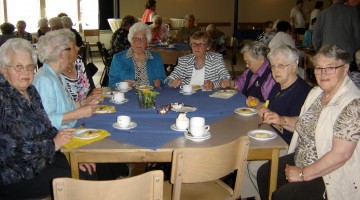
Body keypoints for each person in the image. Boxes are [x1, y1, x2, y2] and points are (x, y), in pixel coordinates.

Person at [257, 45, 360, 200]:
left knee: (283, 196)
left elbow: (341, 155)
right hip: (301, 158)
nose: (323, 73)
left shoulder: (353, 104)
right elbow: (306, 122)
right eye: (319, 68)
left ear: (345, 69)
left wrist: (302, 174)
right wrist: (281, 120)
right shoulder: (317, 93)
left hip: (330, 173)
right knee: (264, 173)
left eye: (330, 68)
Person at [0, 38, 95, 199]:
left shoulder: (30, 91)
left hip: (43, 159)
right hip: (16, 174)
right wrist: (53, 145)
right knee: (80, 180)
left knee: (88, 168)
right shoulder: (3, 99)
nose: (26, 72)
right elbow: (11, 151)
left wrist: (74, 155)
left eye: (30, 66)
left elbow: (47, 127)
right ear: (3, 69)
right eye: (18, 66)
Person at [240, 44, 311, 199]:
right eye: (273, 66)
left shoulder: (303, 92)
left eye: (281, 66)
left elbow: (300, 128)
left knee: (253, 166)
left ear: (294, 66)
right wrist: (258, 103)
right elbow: (270, 109)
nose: (275, 71)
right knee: (241, 158)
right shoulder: (278, 87)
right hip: (269, 137)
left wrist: (276, 119)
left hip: (287, 145)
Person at [33, 29, 99, 130]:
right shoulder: (44, 80)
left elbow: (65, 108)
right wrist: (79, 113)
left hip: (70, 129)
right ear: (62, 53)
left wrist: (85, 102)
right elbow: (46, 119)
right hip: (59, 137)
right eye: (73, 47)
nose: (78, 49)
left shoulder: (57, 75)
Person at [166, 31, 231, 90]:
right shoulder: (184, 60)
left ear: (207, 47)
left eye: (200, 44)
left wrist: (214, 84)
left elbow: (226, 77)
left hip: (208, 97)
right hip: (187, 96)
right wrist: (172, 82)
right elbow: (168, 79)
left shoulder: (216, 59)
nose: (197, 47)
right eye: (194, 44)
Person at [109, 22, 166, 88]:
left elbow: (163, 79)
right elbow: (112, 83)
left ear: (147, 42)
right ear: (130, 41)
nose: (139, 42)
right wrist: (123, 84)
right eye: (135, 38)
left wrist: (160, 82)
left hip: (151, 95)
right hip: (127, 96)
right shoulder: (118, 58)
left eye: (142, 39)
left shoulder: (156, 58)